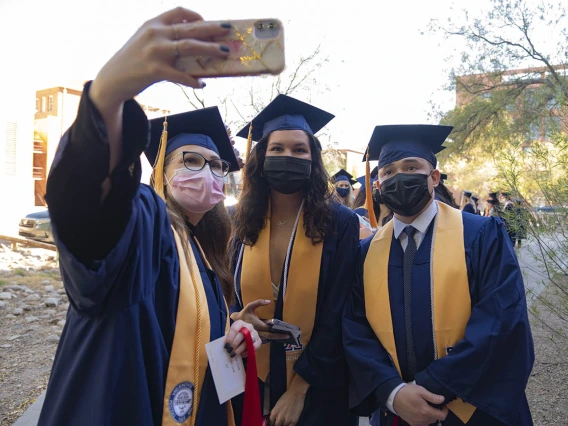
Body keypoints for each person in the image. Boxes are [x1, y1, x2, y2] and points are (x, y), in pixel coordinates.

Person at [38, 8, 262, 426]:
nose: (208, 174)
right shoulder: (144, 224)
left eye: (217, 166)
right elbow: (90, 215)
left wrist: (227, 330)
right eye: (191, 160)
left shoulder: (202, 248)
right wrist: (108, 95)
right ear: (161, 169)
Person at [343, 124, 534, 426]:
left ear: (433, 177)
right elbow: (354, 327)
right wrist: (391, 392)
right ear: (377, 186)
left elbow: (502, 321)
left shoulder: (482, 235)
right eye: (388, 172)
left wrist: (429, 388)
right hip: (398, 410)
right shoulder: (366, 252)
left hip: (474, 408)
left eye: (411, 167)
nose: (399, 177)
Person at [231, 94, 360, 426]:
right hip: (248, 378)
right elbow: (223, 295)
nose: (288, 156)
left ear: (312, 159)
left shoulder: (339, 223)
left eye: (299, 149)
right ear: (260, 158)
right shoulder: (240, 220)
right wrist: (235, 318)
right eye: (277, 149)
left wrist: (299, 389)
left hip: (318, 387)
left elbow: (339, 312)